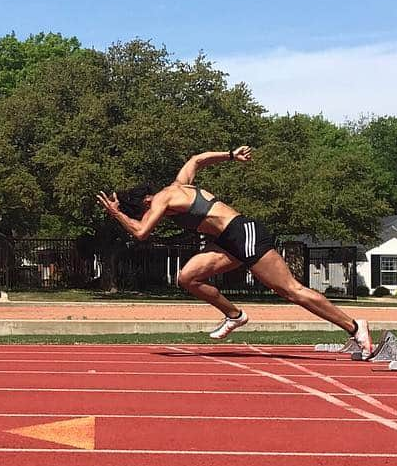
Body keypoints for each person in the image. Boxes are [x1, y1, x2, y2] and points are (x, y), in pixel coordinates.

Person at [97, 146, 372, 349]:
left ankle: (355, 327)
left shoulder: (161, 199)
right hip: (228, 242)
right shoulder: (179, 185)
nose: (148, 213)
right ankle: (234, 315)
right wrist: (230, 155)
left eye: (142, 210)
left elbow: (141, 232)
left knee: (290, 290)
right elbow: (196, 159)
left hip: (243, 233)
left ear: (144, 203)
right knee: (187, 277)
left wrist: (116, 213)